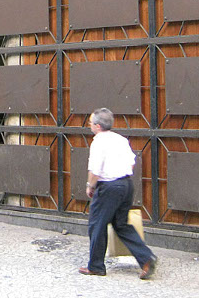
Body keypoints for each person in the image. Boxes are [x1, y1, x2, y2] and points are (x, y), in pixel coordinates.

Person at [80, 107, 157, 280]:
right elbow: (131, 163)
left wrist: (90, 186)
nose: (89, 125)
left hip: (109, 186)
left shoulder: (98, 142)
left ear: (98, 126)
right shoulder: (121, 139)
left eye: (90, 122)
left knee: (97, 224)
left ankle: (96, 266)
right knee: (121, 224)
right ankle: (146, 258)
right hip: (126, 184)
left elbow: (95, 171)